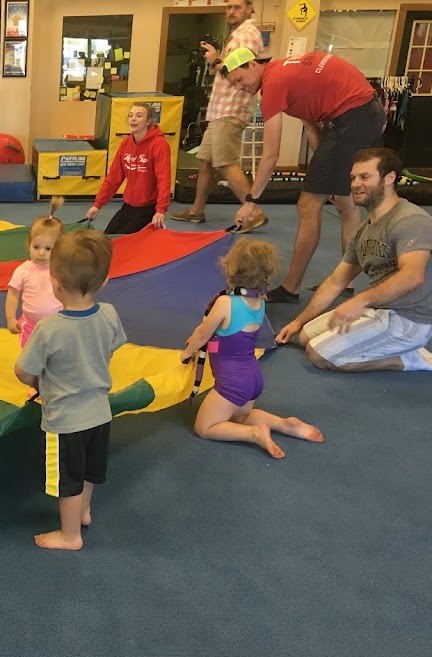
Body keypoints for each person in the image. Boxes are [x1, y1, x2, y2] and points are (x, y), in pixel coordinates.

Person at [220, 48, 384, 302]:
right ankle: (347, 281)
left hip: (353, 116)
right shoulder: (287, 71)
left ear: (252, 64)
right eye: (233, 86)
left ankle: (290, 288)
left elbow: (271, 154)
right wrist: (327, 172)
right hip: (366, 112)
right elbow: (312, 127)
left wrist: (251, 202)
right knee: (344, 201)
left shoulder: (273, 85)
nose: (240, 87)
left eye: (239, 80)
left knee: (308, 203)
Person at [14, 230, 127, 551]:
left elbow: (23, 371)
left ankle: (70, 535)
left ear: (55, 284)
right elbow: (110, 349)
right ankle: (85, 512)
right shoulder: (109, 314)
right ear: (103, 282)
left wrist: (39, 380)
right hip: (100, 414)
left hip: (66, 422)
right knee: (90, 471)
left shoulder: (49, 329)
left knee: (68, 481)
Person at [275, 148, 432, 372]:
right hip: (380, 309)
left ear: (389, 178)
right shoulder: (363, 231)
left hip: (409, 320)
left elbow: (412, 277)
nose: (355, 184)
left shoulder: (410, 220)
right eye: (353, 178)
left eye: (365, 177)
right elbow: (335, 282)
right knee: (304, 337)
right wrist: (298, 322)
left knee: (319, 355)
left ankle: (411, 359)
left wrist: (359, 301)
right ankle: (380, 340)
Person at [180, 238, 324, 458]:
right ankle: (284, 424)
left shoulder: (225, 303)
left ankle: (254, 434)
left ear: (231, 272)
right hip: (253, 378)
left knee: (204, 427)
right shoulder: (259, 301)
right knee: (239, 416)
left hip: (233, 383)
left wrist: (188, 352)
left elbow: (202, 333)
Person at [170, 0, 267, 232]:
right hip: (220, 109)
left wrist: (215, 59)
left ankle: (254, 212)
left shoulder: (247, 35)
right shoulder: (236, 35)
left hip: (231, 109)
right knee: (206, 161)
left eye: (237, 7)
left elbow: (238, 72)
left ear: (250, 8)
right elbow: (228, 69)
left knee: (225, 163)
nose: (231, 12)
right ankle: (196, 210)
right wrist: (216, 60)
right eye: (229, 7)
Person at [84, 103, 171, 234]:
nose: (133, 119)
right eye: (130, 115)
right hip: (129, 206)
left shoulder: (159, 145)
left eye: (139, 115)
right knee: (106, 239)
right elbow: (113, 178)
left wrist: (160, 210)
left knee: (122, 243)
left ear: (148, 121)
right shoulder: (126, 144)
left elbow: (164, 179)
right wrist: (97, 205)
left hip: (149, 208)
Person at [5, 196, 64, 347]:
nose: (41, 253)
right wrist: (11, 318)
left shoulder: (60, 268)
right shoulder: (24, 270)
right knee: (30, 356)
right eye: (36, 247)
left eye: (48, 249)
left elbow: (72, 292)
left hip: (59, 324)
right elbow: (13, 294)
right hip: (30, 325)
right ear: (29, 244)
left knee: (57, 353)